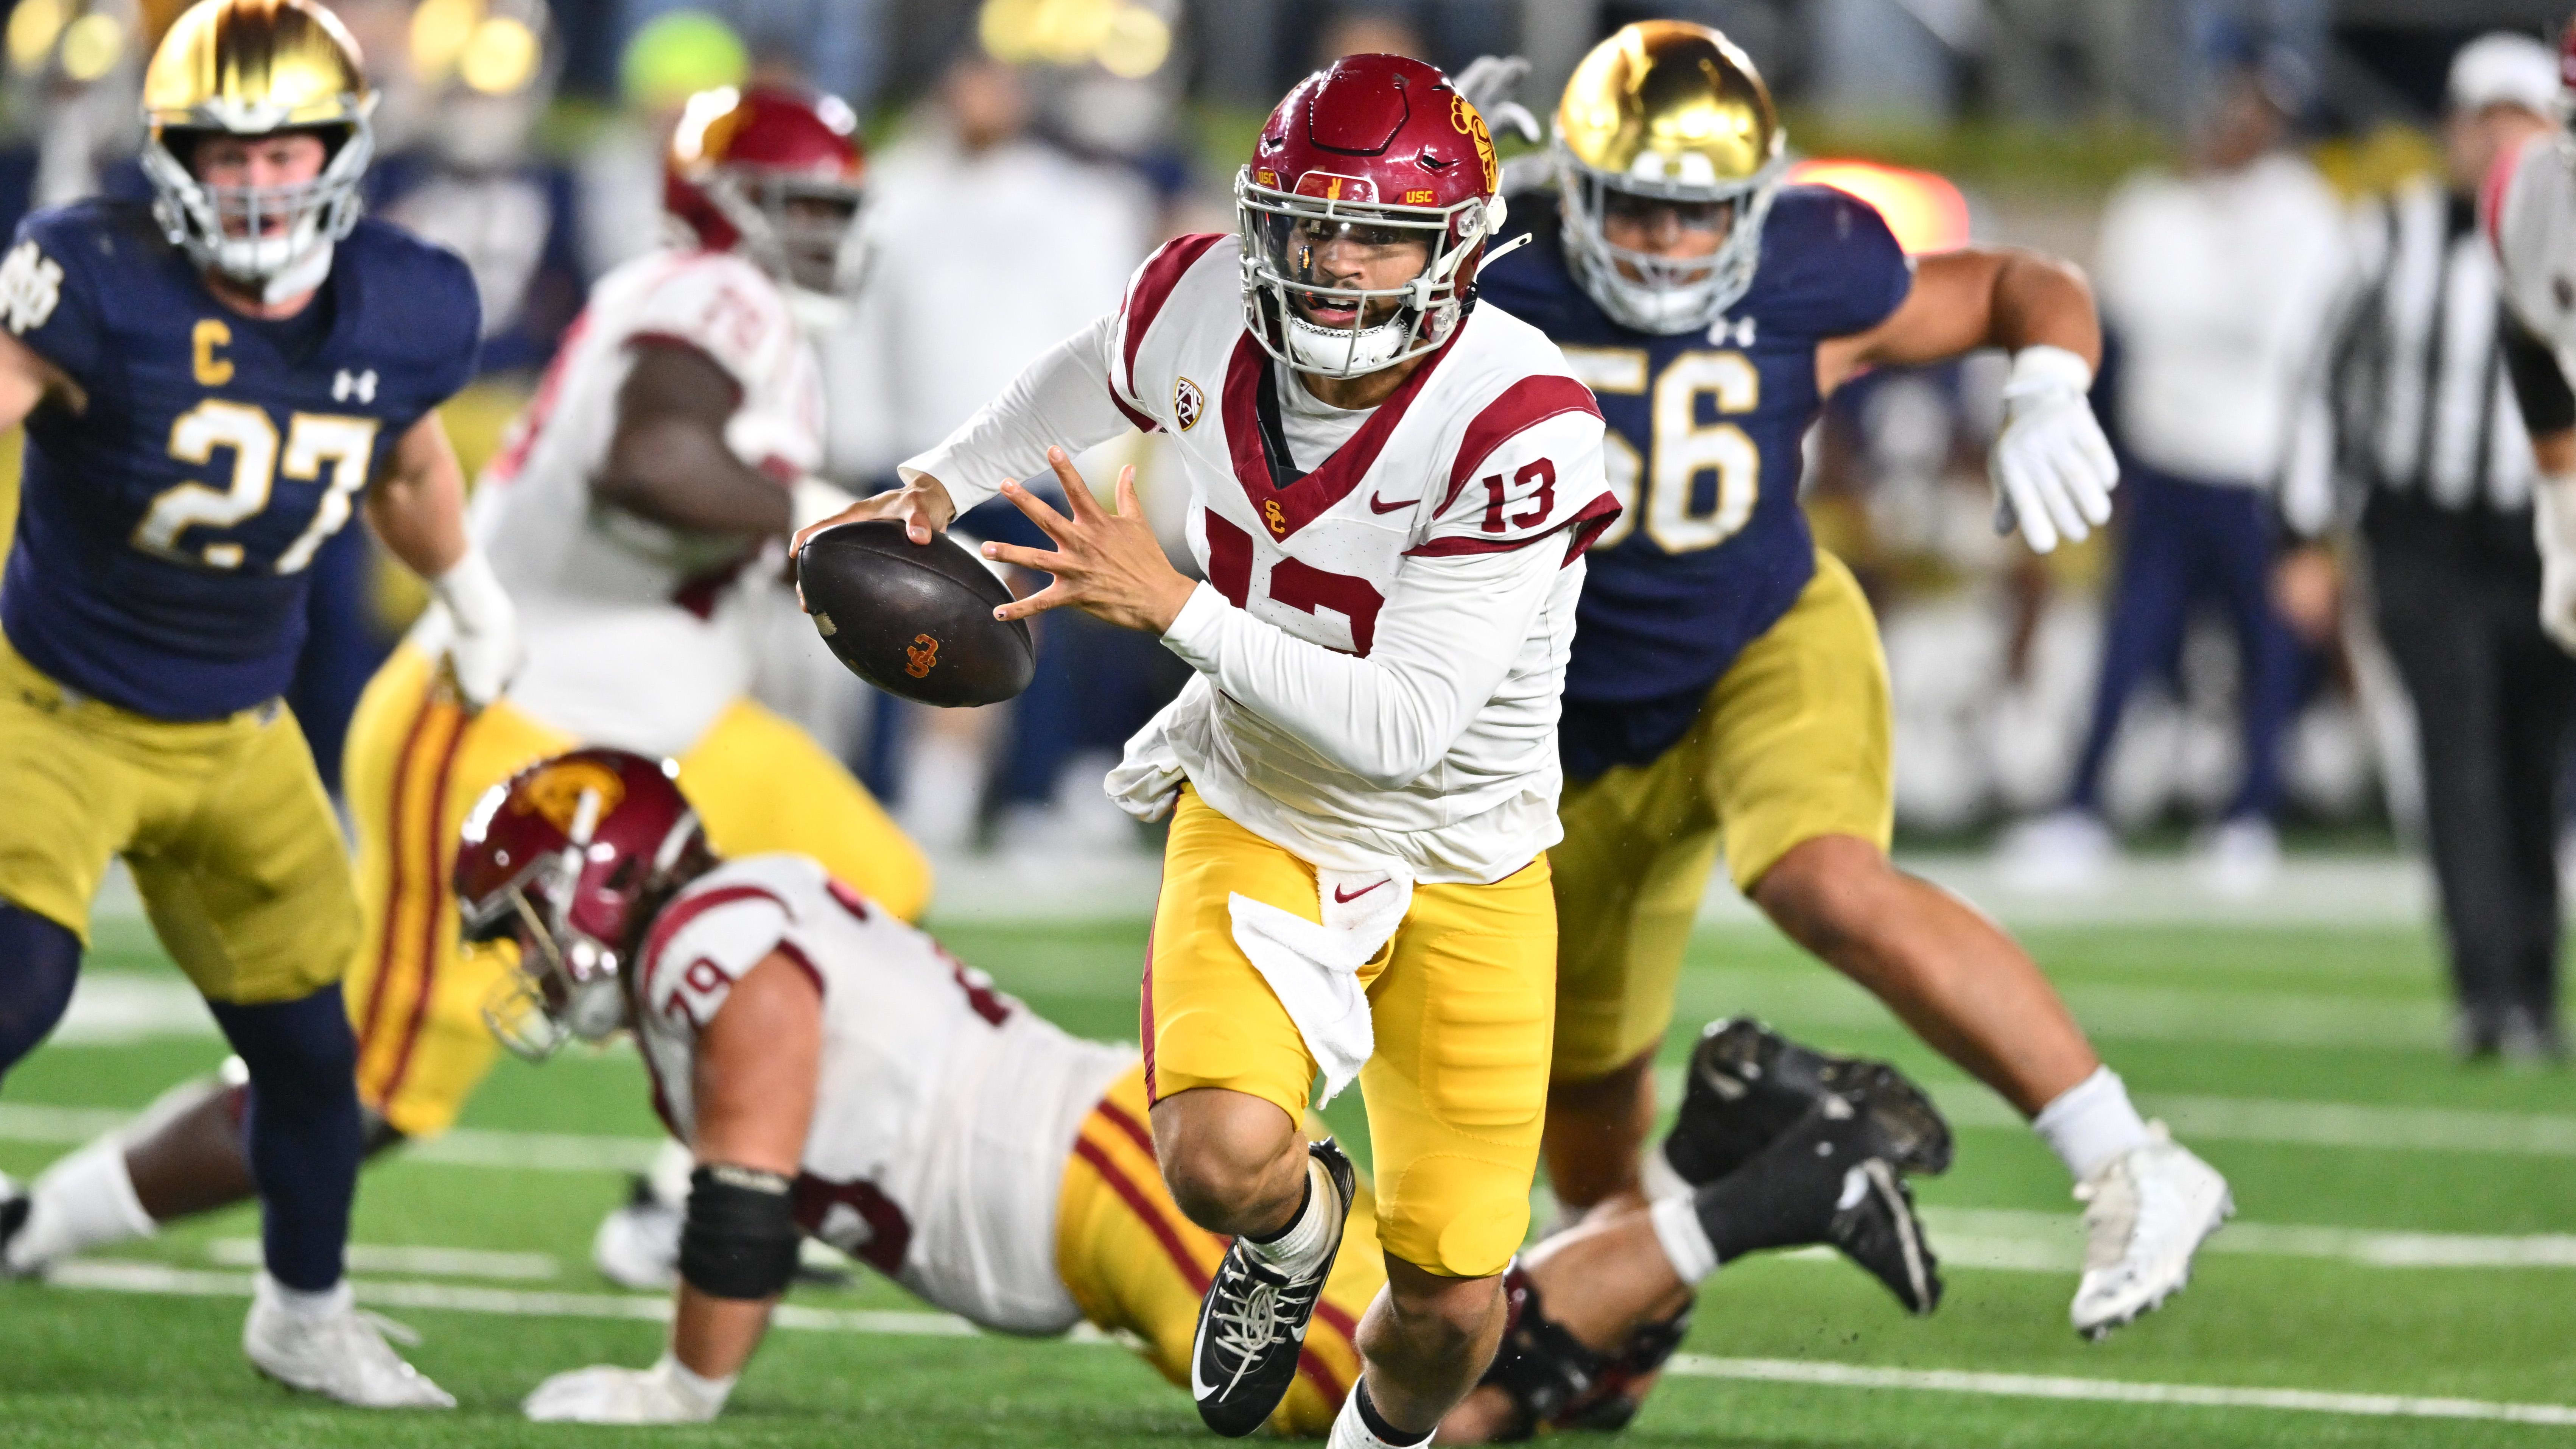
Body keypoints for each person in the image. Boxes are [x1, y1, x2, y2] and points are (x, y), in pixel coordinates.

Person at [799, 53, 1623, 1449]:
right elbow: (1089, 370)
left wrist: (1171, 603)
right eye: (1307, 224)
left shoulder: (1516, 414)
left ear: (1458, 253)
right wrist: (949, 473)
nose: (1335, 262)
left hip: (1464, 844)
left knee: (1449, 1308)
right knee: (1218, 1157)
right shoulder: (1196, 298)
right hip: (1263, 796)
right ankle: (1295, 1230)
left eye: (1377, 233)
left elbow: (1406, 725)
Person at [0, 84, 929, 1281]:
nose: (828, 234)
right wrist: (817, 517)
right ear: (730, 209)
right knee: (375, 1086)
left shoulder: (727, 308)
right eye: (803, 206)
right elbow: (649, 461)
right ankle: (43, 1224)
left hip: (663, 723)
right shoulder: (718, 293)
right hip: (516, 731)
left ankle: (680, 1202)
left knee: (865, 888)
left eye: (838, 209)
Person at [456, 748, 1947, 1434]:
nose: (525, 956)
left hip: (1090, 1186)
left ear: (603, 881)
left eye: (527, 912)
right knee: (1548, 1399)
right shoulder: (741, 910)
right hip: (1082, 1185)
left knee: (1445, 1404)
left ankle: (1780, 1182)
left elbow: (746, 1189)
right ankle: (1727, 1136)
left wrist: (685, 1388)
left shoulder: (712, 942)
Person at [1462, 22, 2229, 1340]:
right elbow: (1283, 301)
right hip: (1560, 724)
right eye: (1634, 205)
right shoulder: (1491, 263)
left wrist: (2047, 381)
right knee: (1582, 1125)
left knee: (1819, 875)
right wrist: (1422, 184)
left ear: (1752, 208)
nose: (1659, 243)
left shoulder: (1813, 257)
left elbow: (2017, 282)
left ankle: (2126, 1156)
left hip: (1761, 639)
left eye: (1695, 216)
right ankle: (1633, 1306)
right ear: (1573, 186)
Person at [0, 0, 501, 1406]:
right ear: (172, 158)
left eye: (290, 153)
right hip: (55, 706)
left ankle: (304, 1308)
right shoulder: (93, 273)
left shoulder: (406, 298)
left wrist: (469, 593)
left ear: (342, 152)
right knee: (20, 984)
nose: (263, 182)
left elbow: (405, 465)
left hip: (237, 726)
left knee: (308, 1048)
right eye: (231, 155)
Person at [2280, 33, 2571, 1062]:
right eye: (2478, 118)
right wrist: (2307, 530)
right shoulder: (2392, 235)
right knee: (2460, 758)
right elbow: (2320, 380)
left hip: (2546, 534)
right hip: (2422, 533)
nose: (2492, 139)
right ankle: (2489, 991)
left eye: (2516, 118)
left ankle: (2533, 986)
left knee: (2536, 766)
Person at [2007, 42, 2350, 888]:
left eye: (2256, 112)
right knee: (2129, 645)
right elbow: (2127, 329)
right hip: (2162, 465)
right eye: (2229, 108)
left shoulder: (2302, 210)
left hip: (2257, 467)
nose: (2235, 126)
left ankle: (2249, 816)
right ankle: (2081, 809)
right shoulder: (2150, 205)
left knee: (2260, 650)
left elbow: (2282, 340)